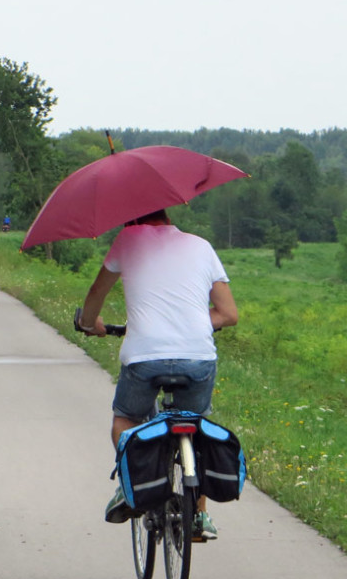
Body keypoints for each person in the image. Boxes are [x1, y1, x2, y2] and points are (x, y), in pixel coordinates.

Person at [76, 208, 238, 538]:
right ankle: (200, 517)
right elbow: (228, 314)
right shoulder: (202, 246)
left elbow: (96, 293)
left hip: (144, 357)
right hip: (197, 358)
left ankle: (131, 487)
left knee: (125, 420)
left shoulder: (127, 240)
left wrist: (88, 324)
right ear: (166, 213)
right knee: (196, 425)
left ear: (132, 218)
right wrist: (188, 324)